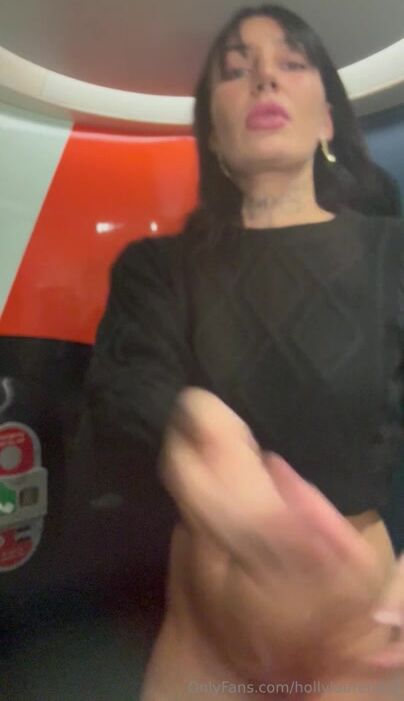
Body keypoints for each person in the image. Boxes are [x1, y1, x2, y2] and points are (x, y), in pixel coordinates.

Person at [77, 3, 404, 696]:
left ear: (327, 121)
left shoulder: (394, 254)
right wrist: (189, 418)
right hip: (201, 649)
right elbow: (123, 395)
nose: (264, 79)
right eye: (235, 70)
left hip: (361, 651)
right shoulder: (158, 268)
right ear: (214, 134)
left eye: (291, 62)